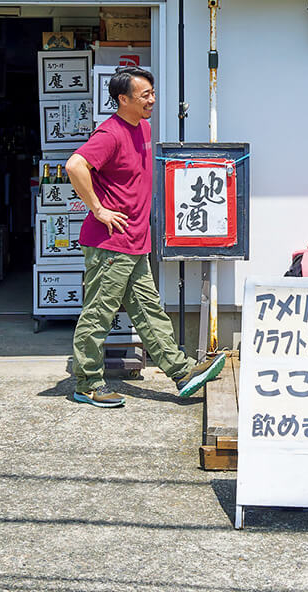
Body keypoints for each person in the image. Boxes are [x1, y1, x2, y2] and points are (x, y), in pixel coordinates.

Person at [65, 67, 225, 408]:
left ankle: (182, 373)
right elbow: (75, 166)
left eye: (152, 93)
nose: (152, 100)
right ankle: (88, 383)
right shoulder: (110, 133)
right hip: (109, 242)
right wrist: (98, 210)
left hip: (135, 241)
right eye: (144, 95)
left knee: (150, 312)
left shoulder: (144, 127)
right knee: (99, 314)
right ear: (123, 100)